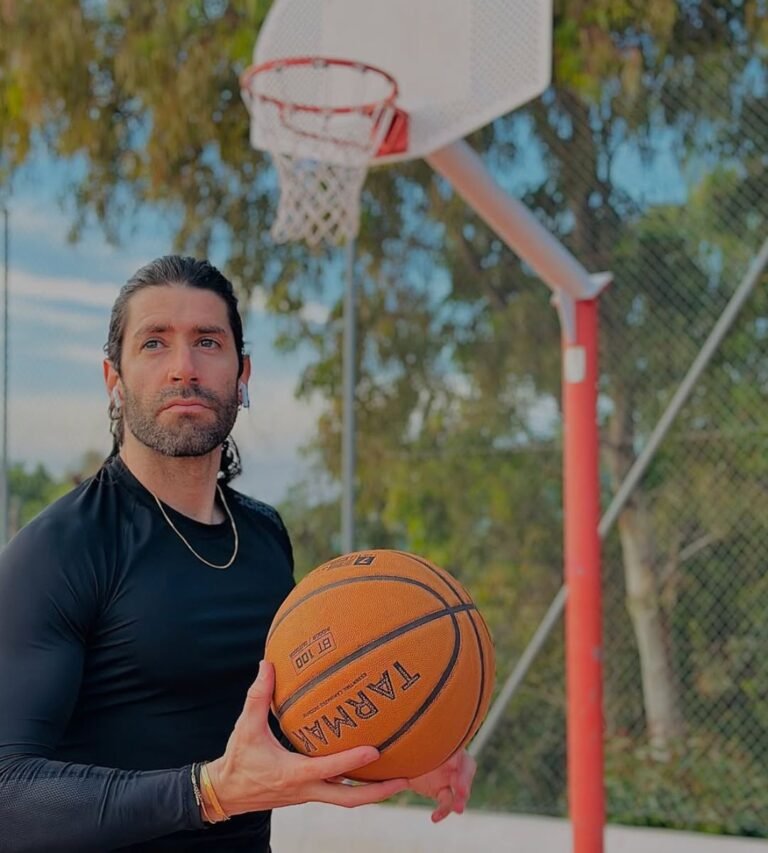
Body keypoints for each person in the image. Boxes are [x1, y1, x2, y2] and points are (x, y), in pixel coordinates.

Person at [0, 255, 476, 851]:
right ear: (113, 380)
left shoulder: (263, 535)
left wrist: (402, 745)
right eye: (154, 343)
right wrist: (207, 793)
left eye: (207, 341)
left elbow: (290, 725)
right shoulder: (60, 549)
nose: (184, 368)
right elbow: (7, 792)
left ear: (241, 372)